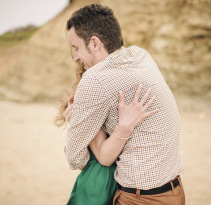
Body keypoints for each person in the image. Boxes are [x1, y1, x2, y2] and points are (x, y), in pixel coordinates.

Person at [62, 4, 185, 205]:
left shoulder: (95, 80)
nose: (75, 57)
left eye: (76, 48)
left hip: (140, 199)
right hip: (175, 191)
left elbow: (76, 158)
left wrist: (78, 118)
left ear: (94, 43)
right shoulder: (141, 56)